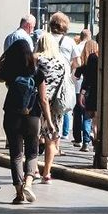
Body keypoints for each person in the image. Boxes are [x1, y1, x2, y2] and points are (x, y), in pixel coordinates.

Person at [0, 39, 49, 203]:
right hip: (32, 115)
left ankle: (19, 193)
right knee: (32, 151)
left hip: (12, 113)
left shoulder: (9, 71)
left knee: (16, 154)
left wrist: (6, 57)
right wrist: (50, 121)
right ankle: (28, 182)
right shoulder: (37, 72)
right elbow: (44, 99)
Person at [32, 32, 67, 186]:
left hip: (37, 102)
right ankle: (47, 172)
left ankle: (33, 170)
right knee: (51, 140)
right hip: (55, 106)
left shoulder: (36, 59)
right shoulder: (61, 63)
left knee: (33, 137)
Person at [77, 33, 99, 151]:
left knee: (87, 117)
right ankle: (96, 136)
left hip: (91, 91)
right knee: (97, 118)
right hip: (102, 91)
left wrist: (82, 92)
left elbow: (89, 78)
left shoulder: (92, 58)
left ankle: (87, 140)